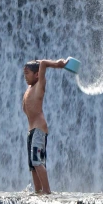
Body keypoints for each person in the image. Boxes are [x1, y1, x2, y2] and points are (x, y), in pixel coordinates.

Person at [22, 58, 69, 194]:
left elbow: (42, 64)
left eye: (27, 73)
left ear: (37, 74)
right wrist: (34, 62)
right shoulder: (29, 89)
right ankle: (38, 191)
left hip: (38, 129)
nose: (25, 76)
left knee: (37, 161)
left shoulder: (39, 85)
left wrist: (58, 65)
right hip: (31, 131)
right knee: (32, 164)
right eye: (24, 73)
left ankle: (47, 191)